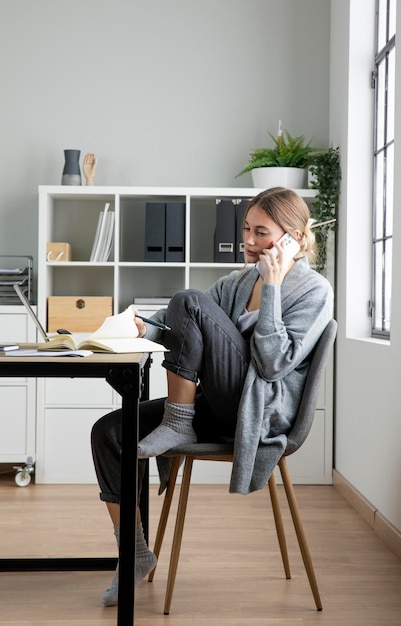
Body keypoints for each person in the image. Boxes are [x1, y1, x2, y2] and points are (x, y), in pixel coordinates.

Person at [91, 186, 334, 606]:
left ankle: (177, 421)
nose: (250, 242)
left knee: (190, 298)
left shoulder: (314, 291)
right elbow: (180, 327)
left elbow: (274, 363)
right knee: (109, 431)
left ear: (293, 236)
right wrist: (142, 330)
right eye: (246, 231)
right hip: (215, 404)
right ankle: (133, 554)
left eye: (262, 233)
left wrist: (272, 288)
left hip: (257, 414)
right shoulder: (238, 281)